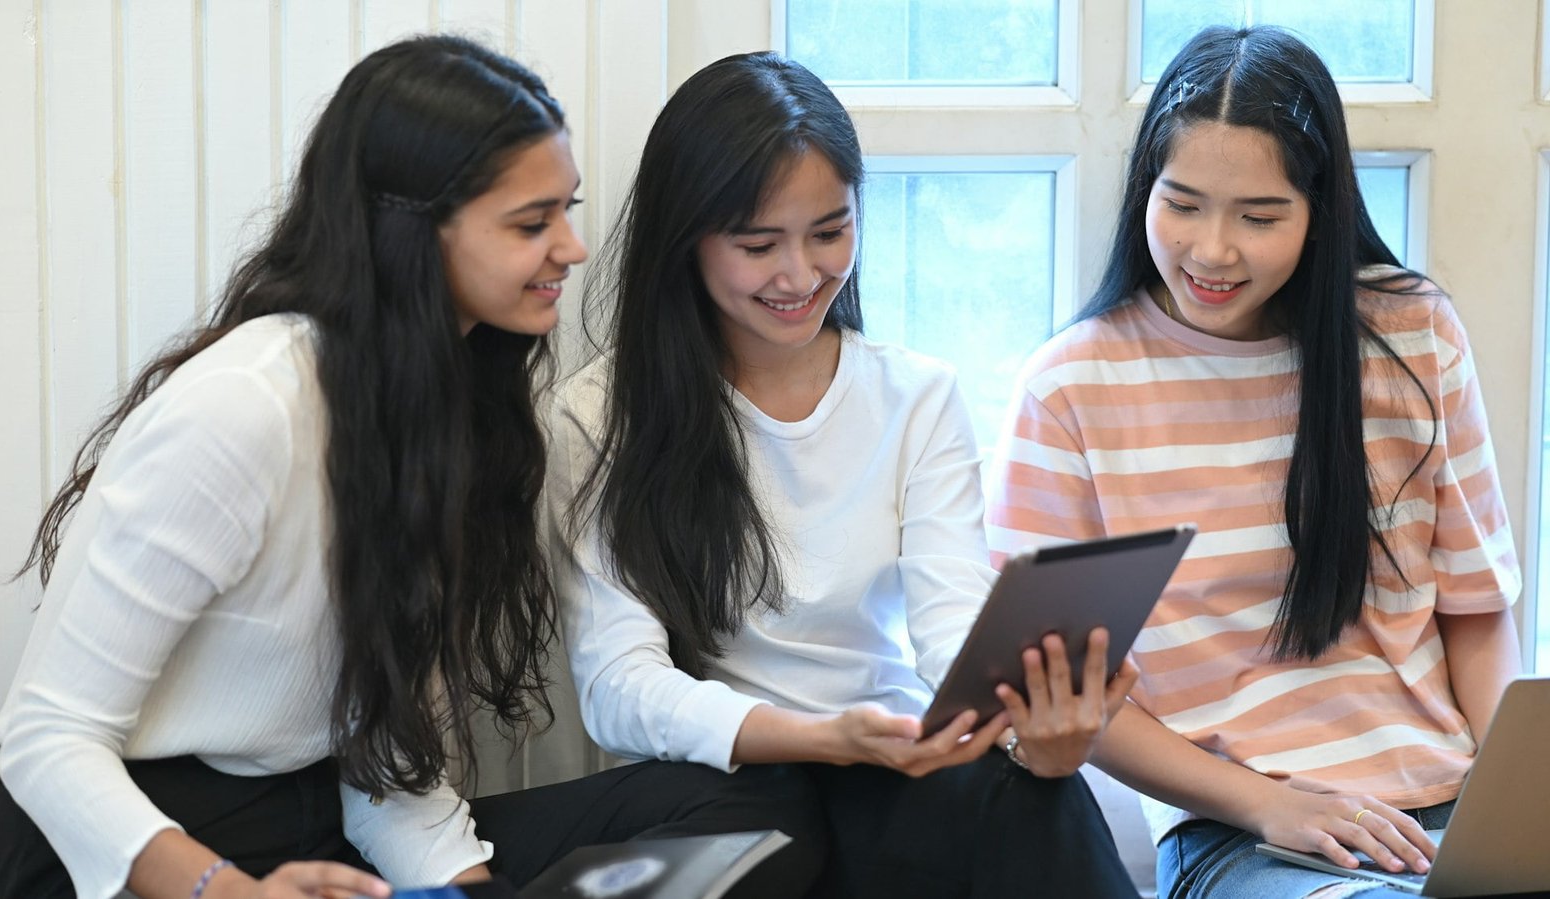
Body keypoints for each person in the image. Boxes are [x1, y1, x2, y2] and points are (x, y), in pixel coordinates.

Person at [0, 35, 822, 899]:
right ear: (413, 233)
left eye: (565, 211)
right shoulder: (244, 407)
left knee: (750, 811)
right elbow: (46, 739)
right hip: (127, 853)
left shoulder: (452, 415)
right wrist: (225, 891)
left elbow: (385, 758)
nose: (571, 247)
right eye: (533, 222)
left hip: (311, 825)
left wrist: (470, 890)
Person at [547, 51, 1140, 899]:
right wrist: (823, 736)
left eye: (830, 231)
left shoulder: (916, 395)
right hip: (727, 785)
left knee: (1041, 798)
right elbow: (619, 687)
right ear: (689, 239)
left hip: (891, 761)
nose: (800, 276)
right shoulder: (600, 415)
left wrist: (1027, 730)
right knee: (778, 823)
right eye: (759, 244)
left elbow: (952, 632)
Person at [985, 25, 1523, 899]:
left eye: (1259, 216)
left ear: (1319, 213)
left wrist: (1516, 805)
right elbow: (1064, 688)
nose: (1211, 250)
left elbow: (1474, 610)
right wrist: (1267, 804)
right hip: (1245, 838)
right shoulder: (1071, 388)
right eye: (1183, 203)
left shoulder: (1411, 333)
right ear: (1143, 192)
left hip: (1450, 810)